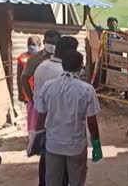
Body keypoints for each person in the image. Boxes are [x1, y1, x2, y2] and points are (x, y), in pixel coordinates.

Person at [35, 50, 102, 186]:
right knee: (76, 182)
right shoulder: (87, 89)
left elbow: (41, 117)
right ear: (80, 66)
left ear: (63, 65)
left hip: (53, 144)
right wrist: (96, 144)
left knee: (52, 182)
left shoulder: (48, 86)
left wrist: (39, 140)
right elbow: (92, 122)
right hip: (76, 145)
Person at [33, 36, 78, 186]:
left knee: (45, 172)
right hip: (60, 130)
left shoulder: (42, 66)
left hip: (44, 125)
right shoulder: (63, 73)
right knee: (60, 175)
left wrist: (38, 132)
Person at [17, 36, 41, 103]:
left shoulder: (43, 58)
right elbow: (19, 77)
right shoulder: (22, 58)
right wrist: (20, 93)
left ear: (39, 45)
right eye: (29, 44)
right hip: (27, 91)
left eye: (33, 44)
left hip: (40, 91)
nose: (31, 47)